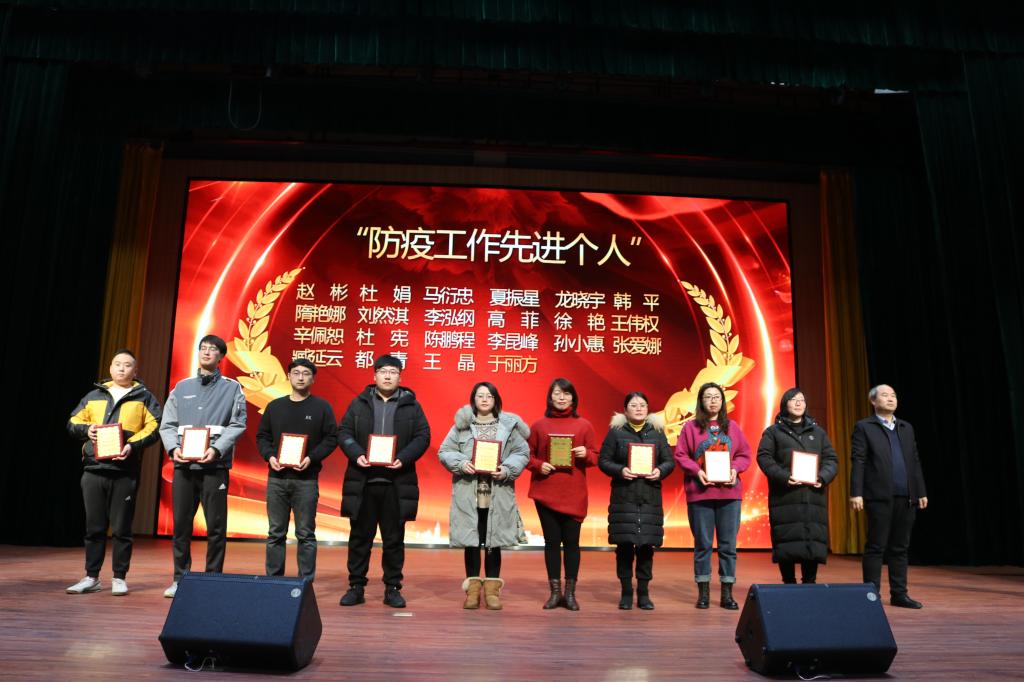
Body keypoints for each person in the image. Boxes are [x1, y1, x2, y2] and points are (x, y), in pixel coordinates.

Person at [66, 349, 162, 596]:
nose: (121, 368)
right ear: (110, 368)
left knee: (121, 529)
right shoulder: (93, 396)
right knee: (94, 527)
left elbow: (155, 426)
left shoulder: (144, 397)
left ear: (135, 371)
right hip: (94, 469)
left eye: (127, 365)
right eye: (117, 364)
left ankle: (119, 577)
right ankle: (91, 577)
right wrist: (87, 429)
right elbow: (73, 422)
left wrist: (132, 445)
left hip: (124, 471)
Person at [337, 354, 430, 608]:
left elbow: (423, 436)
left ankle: (392, 588)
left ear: (400, 377)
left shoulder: (412, 405)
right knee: (360, 538)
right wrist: (356, 454)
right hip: (364, 481)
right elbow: (343, 431)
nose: (388, 376)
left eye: (393, 372)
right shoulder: (359, 403)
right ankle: (356, 587)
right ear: (374, 375)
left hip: (396, 483)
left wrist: (403, 458)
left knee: (393, 540)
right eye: (383, 371)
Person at [158, 334, 248, 598]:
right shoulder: (181, 387)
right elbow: (168, 425)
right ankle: (180, 578)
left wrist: (216, 449)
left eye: (213, 349)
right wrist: (173, 449)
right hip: (184, 467)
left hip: (215, 467)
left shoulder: (233, 388)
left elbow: (238, 424)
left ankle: (212, 578)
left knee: (216, 527)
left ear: (221, 357)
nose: (207, 352)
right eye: (203, 348)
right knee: (181, 526)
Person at [438, 382, 529, 610]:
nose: (485, 399)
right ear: (474, 400)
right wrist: (461, 463)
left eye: (489, 396)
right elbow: (445, 451)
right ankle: (472, 592)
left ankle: (491, 592)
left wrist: (507, 469)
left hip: (497, 494)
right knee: (471, 542)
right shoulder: (462, 426)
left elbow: (522, 452)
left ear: (496, 400)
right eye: (480, 396)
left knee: (493, 543)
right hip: (469, 494)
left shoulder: (508, 426)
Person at [255, 358, 337, 581]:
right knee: (275, 533)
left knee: (306, 534)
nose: (301, 377)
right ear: (289, 376)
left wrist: (311, 457)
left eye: (306, 373)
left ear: (313, 379)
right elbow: (262, 436)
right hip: (277, 479)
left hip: (306, 480)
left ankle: (305, 583)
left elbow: (332, 438)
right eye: (296, 373)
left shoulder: (322, 407)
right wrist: (270, 456)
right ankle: (273, 581)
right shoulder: (275, 406)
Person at [674, 382, 752, 609]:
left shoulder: (733, 427)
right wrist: (697, 471)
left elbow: (744, 455)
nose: (713, 400)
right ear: (701, 401)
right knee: (703, 544)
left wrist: (734, 469)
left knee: (728, 546)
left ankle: (727, 594)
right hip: (700, 494)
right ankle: (703, 593)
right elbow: (680, 455)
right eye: (708, 397)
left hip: (729, 495)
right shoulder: (690, 428)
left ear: (722, 401)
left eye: (717, 396)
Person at [850, 384, 929, 609]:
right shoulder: (865, 427)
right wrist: (856, 492)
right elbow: (859, 460)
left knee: (900, 547)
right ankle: (871, 594)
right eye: (885, 395)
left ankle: (899, 594)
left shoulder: (906, 427)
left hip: (907, 496)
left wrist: (920, 491)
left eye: (893, 395)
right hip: (878, 496)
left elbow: (914, 461)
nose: (891, 398)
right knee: (876, 546)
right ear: (873, 401)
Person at [526, 378, 599, 611]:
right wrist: (539, 465)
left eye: (566, 394)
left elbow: (596, 457)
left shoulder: (584, 426)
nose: (561, 397)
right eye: (557, 393)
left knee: (572, 543)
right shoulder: (538, 426)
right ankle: (555, 593)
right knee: (551, 543)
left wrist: (585, 453)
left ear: (573, 398)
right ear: (550, 397)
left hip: (574, 493)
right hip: (546, 492)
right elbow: (526, 455)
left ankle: (570, 594)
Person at [598, 391, 675, 610]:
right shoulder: (616, 432)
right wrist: (620, 470)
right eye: (634, 405)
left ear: (648, 409)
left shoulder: (657, 433)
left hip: (649, 497)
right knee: (624, 547)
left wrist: (660, 471)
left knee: (646, 548)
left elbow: (669, 461)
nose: (639, 408)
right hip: (624, 497)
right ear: (625, 410)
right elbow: (603, 460)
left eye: (642, 405)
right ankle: (626, 592)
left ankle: (643, 593)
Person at [756, 388, 838, 585]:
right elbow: (764, 457)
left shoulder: (818, 432)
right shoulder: (773, 432)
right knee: (787, 541)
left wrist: (822, 477)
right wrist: (785, 477)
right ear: (785, 404)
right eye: (793, 400)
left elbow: (831, 460)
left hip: (813, 497)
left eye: (801, 400)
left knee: (812, 541)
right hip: (785, 497)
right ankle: (789, 584)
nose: (798, 403)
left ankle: (810, 584)